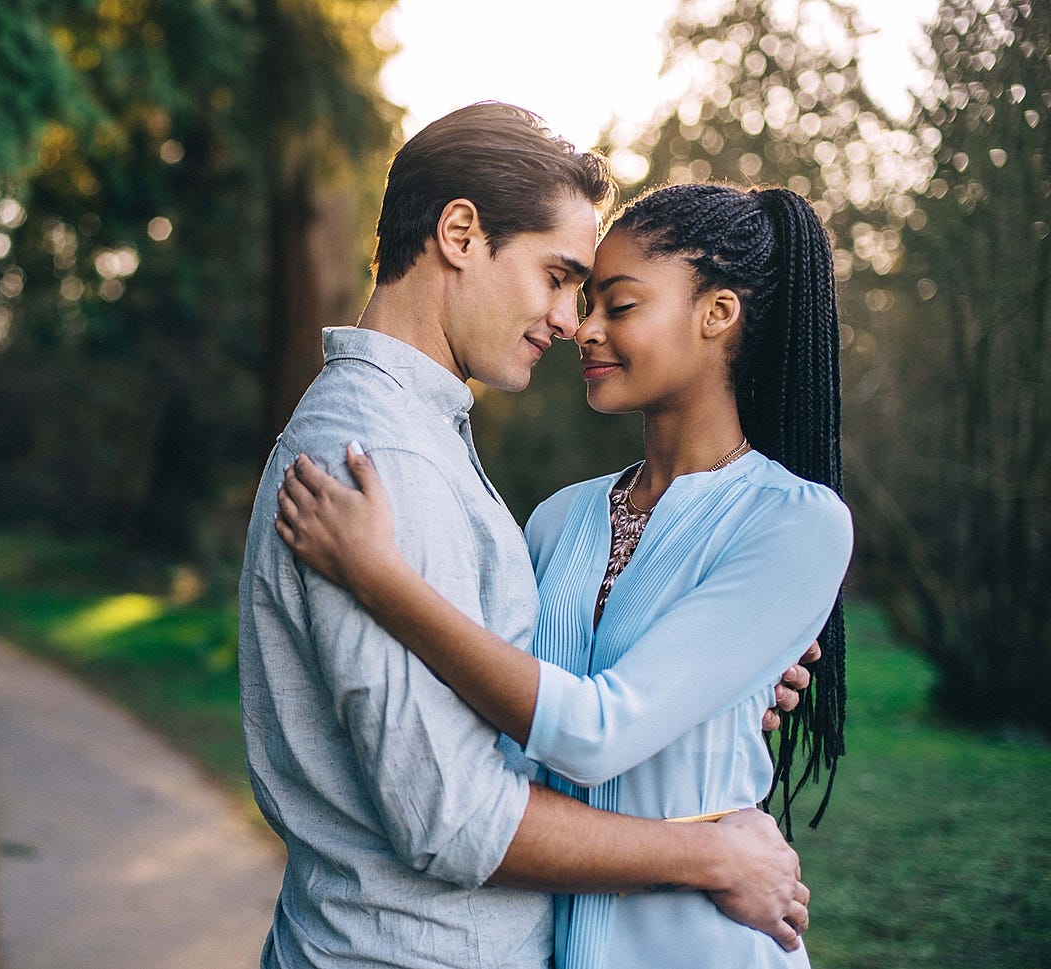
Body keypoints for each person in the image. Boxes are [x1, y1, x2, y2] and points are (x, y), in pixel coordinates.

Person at [240, 102, 817, 969]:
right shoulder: (384, 460)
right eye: (557, 276)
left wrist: (715, 696)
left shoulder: (422, 436)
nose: (566, 319)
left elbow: (538, 698)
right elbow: (455, 816)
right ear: (461, 234)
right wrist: (713, 854)